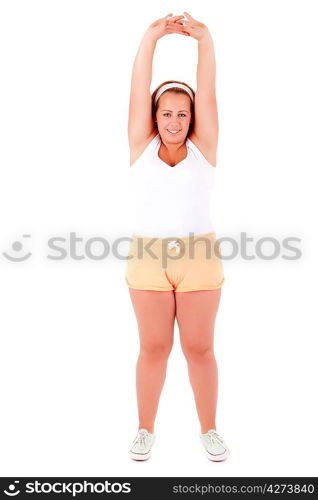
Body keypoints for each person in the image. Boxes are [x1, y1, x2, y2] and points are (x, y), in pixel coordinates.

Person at [125, 12, 230, 462]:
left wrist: (204, 42)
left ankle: (209, 430)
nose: (174, 120)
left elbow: (205, 91)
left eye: (182, 113)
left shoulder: (204, 150)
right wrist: (151, 37)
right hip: (147, 258)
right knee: (153, 347)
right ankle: (145, 430)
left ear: (191, 117)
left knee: (199, 348)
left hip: (199, 258)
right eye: (166, 113)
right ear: (154, 117)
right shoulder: (140, 148)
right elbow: (137, 88)